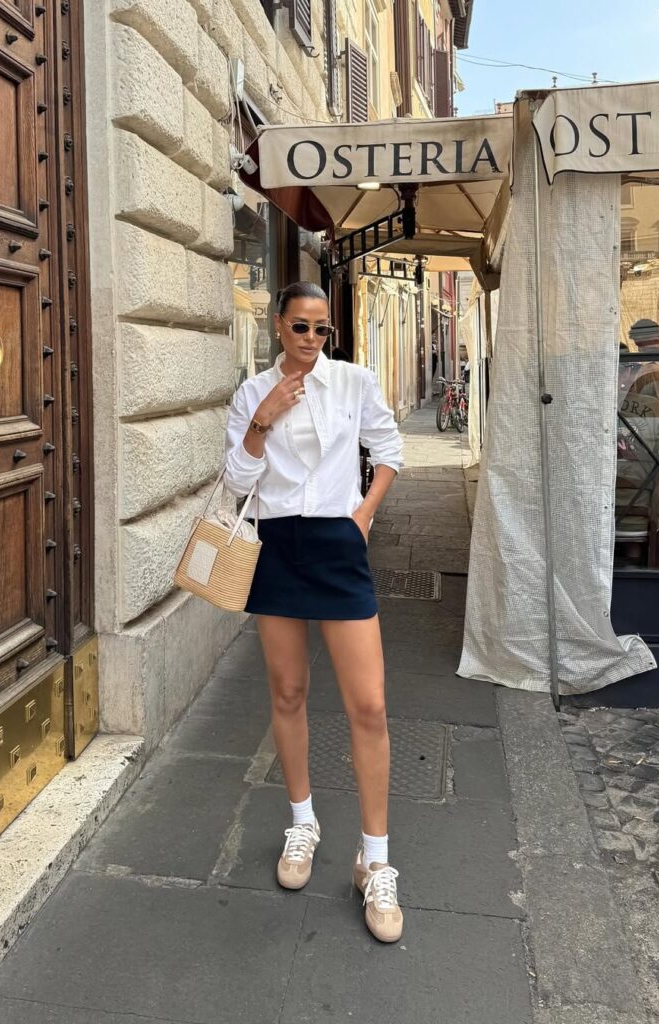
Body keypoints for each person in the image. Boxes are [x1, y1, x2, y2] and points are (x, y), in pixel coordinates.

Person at [224, 281, 405, 943]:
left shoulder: (354, 382)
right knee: (288, 690)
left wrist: (361, 516)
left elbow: (388, 453)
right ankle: (302, 823)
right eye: (300, 327)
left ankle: (375, 860)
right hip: (275, 544)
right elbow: (237, 482)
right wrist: (262, 419)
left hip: (336, 542)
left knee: (369, 705)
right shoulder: (251, 393)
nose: (310, 340)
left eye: (321, 329)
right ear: (278, 326)